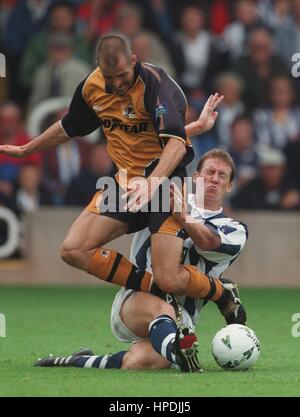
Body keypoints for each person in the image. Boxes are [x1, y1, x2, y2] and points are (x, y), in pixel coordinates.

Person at [0, 35, 235, 323]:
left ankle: (221, 293)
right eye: (111, 77)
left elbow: (175, 144)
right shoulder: (91, 87)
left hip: (165, 184)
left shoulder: (155, 84)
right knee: (73, 250)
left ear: (133, 61)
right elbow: (69, 126)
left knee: (170, 277)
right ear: (98, 67)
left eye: (123, 75)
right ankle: (154, 289)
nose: (119, 83)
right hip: (122, 183)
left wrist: (152, 183)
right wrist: (27, 148)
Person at [35, 149, 247, 373]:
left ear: (230, 185)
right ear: (195, 176)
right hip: (138, 298)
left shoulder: (235, 230)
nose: (214, 178)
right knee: (163, 305)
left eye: (222, 175)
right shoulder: (163, 197)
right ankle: (185, 348)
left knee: (143, 361)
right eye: (209, 172)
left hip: (183, 316)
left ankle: (77, 360)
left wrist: (183, 218)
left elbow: (208, 242)